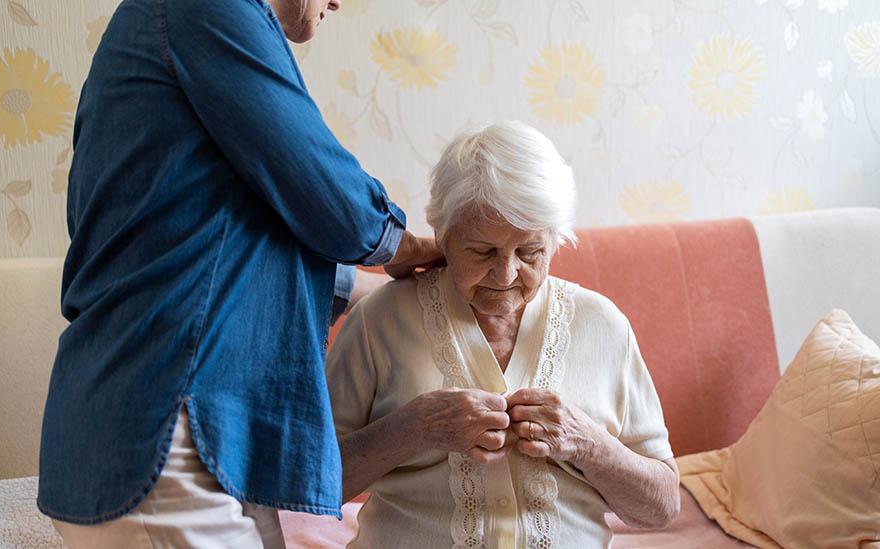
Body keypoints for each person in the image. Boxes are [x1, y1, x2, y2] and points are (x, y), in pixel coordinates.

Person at [37, 0, 440, 547]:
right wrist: (404, 245)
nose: (337, 3)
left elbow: (222, 242)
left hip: (187, 437)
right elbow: (317, 180)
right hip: (164, 434)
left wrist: (391, 285)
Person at [327, 121, 680, 548]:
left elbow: (660, 507)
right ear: (442, 235)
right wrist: (415, 428)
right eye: (482, 251)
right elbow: (312, 484)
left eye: (530, 252)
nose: (506, 273)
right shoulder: (379, 321)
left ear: (555, 241)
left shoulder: (603, 325)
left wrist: (588, 444)